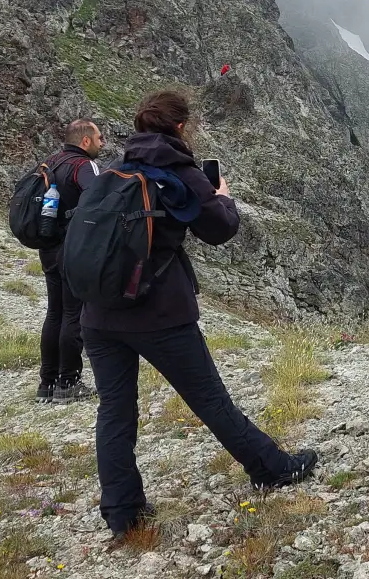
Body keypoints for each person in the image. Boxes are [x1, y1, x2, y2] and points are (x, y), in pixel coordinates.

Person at [79, 91, 317, 544]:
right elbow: (219, 229)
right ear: (181, 127)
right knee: (209, 398)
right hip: (159, 313)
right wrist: (224, 197)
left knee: (114, 410)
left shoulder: (113, 168)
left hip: (98, 313)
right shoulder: (180, 171)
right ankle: (272, 468)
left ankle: (122, 513)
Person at [36, 120, 105, 404]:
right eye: (99, 138)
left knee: (54, 312)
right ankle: (68, 382)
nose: (102, 143)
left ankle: (47, 383)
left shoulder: (50, 162)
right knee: (73, 313)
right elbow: (99, 200)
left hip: (47, 245)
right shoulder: (84, 166)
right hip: (74, 247)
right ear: (85, 141)